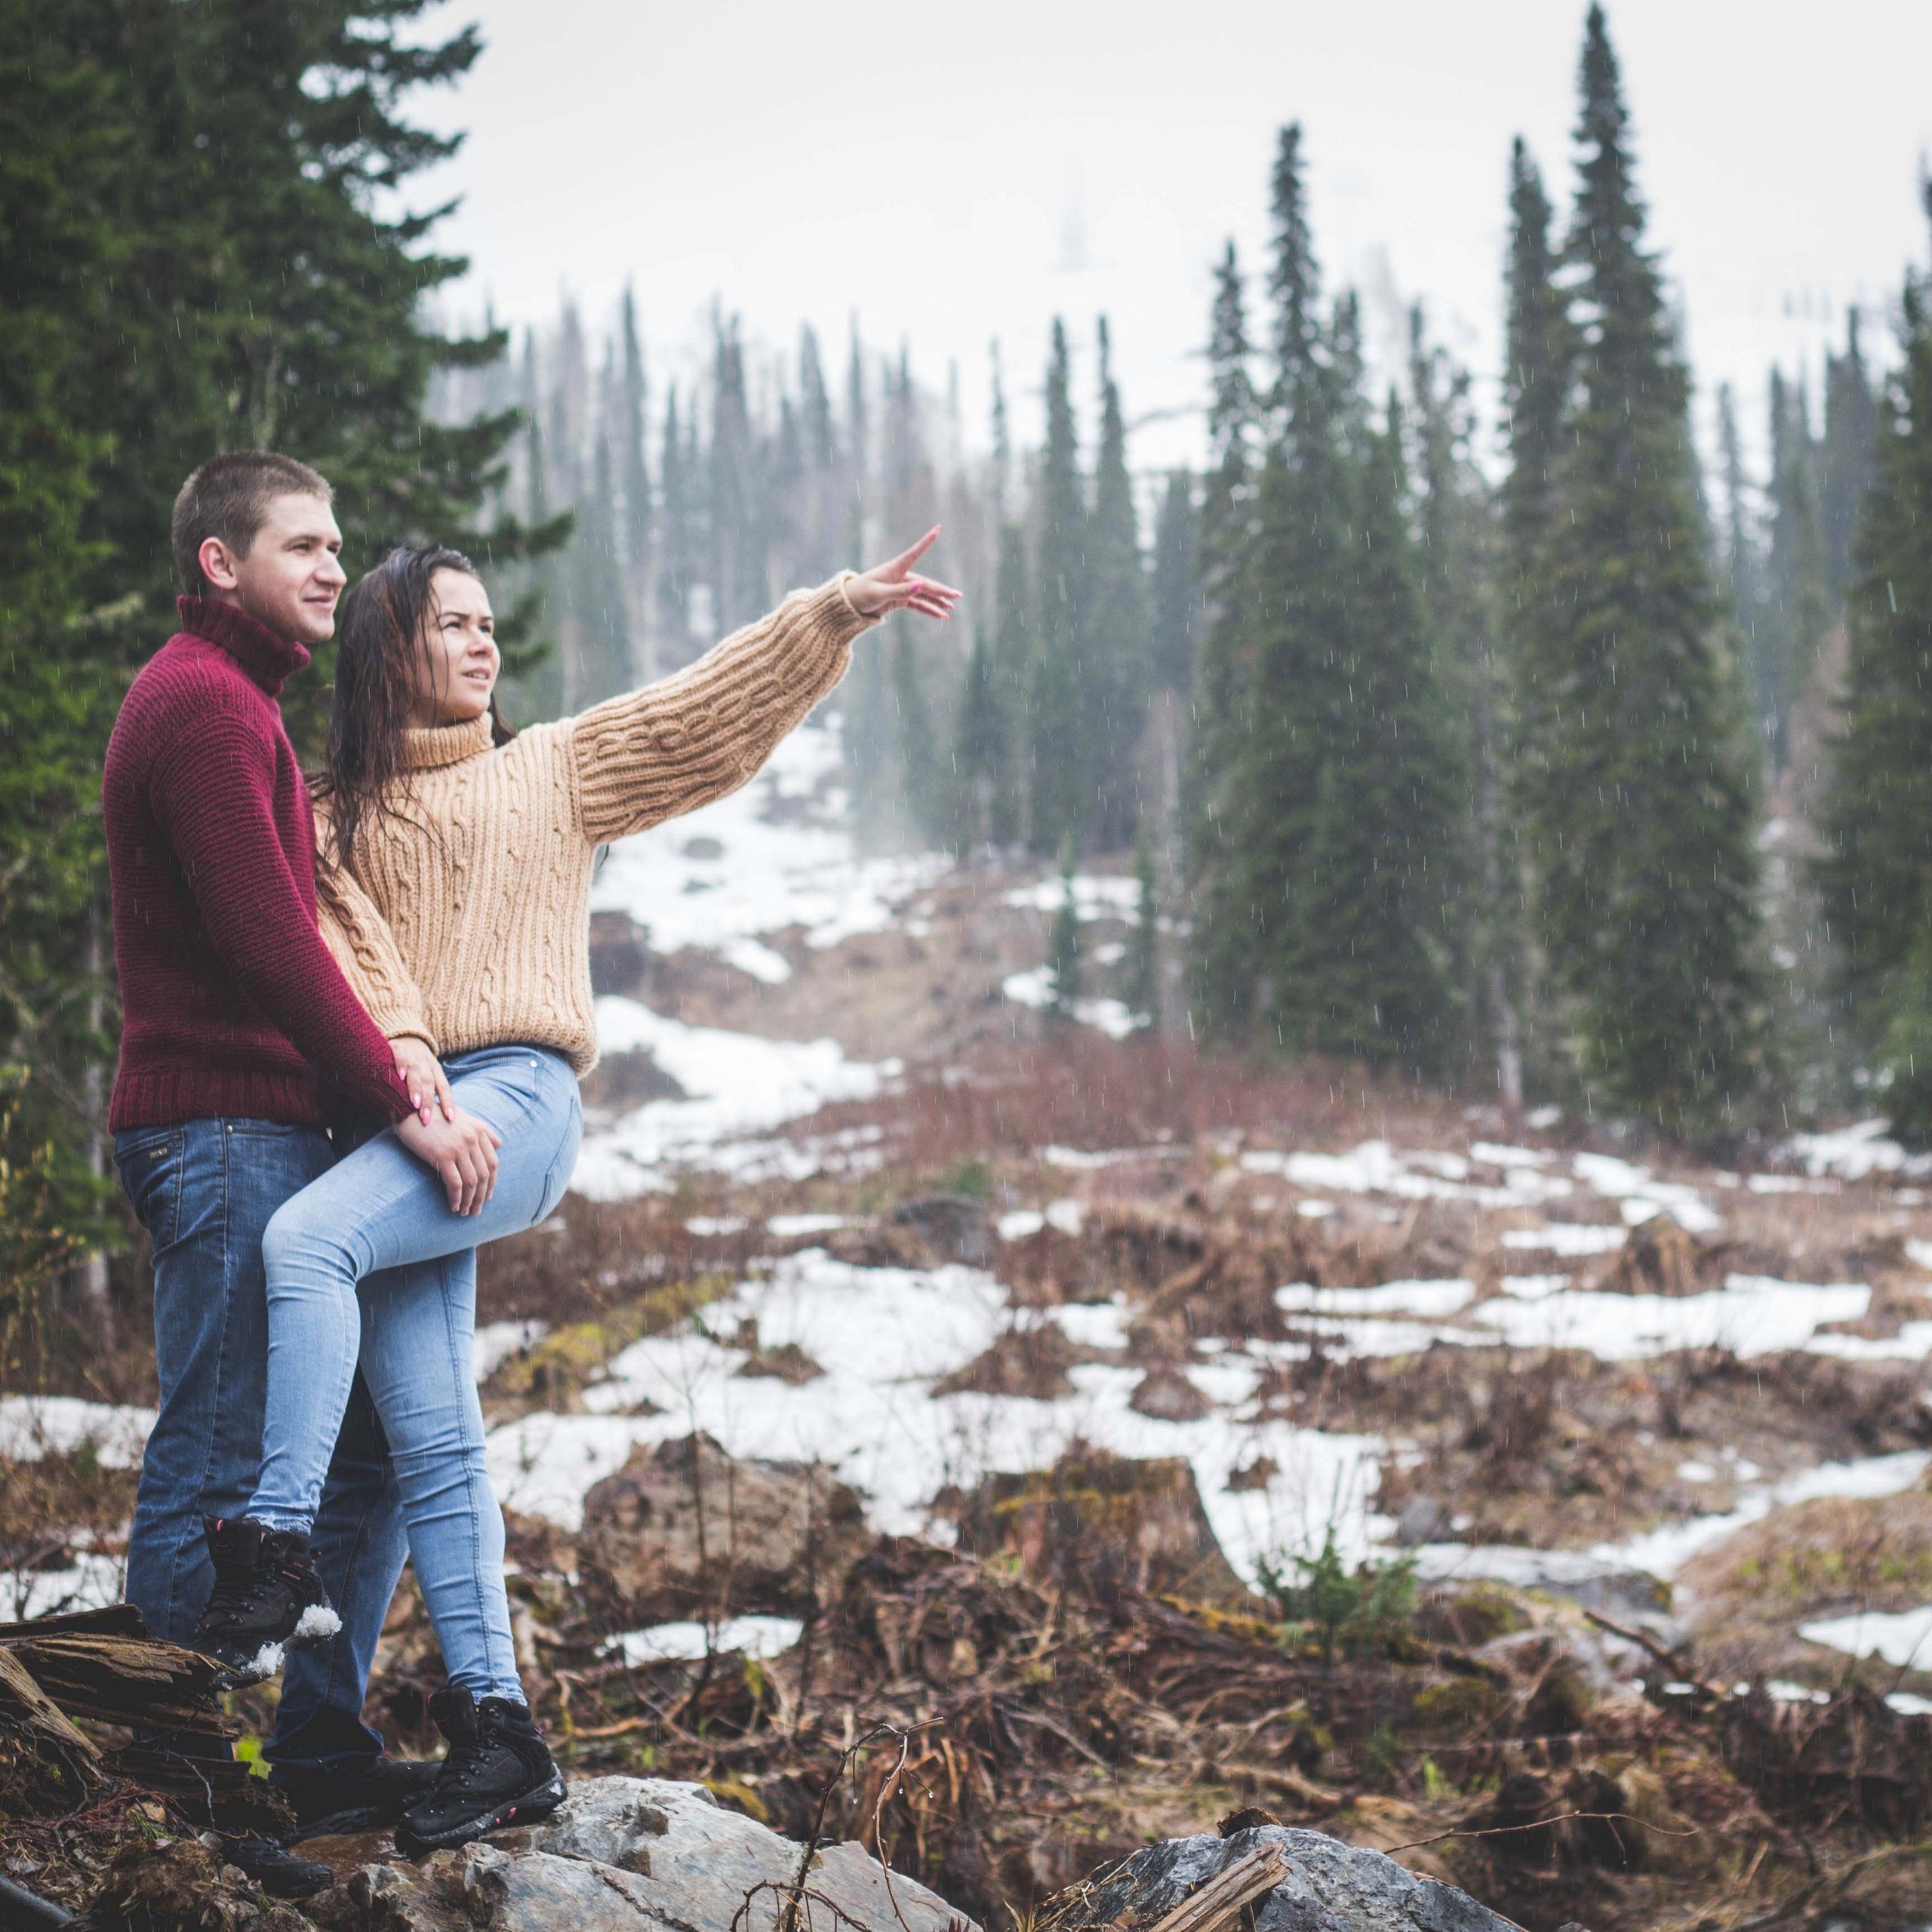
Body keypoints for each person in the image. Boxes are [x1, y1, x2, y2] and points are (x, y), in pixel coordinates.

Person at [194, 529, 958, 1853]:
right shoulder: (334, 815)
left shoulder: (549, 769)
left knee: (306, 1243)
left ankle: (271, 1544)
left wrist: (834, 611)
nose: (486, 643)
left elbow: (700, 719)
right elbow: (348, 966)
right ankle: (502, 1735)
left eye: (491, 623)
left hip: (520, 1101)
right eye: (454, 625)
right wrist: (413, 1090)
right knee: (432, 1434)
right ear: (392, 651)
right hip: (412, 1118)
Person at [102, 452, 511, 1892]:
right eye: (303, 545)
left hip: (254, 1133)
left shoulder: (237, 704)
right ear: (222, 562)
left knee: (361, 1459)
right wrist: (404, 1097)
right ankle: (180, 1792)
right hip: (217, 1132)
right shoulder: (207, 709)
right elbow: (278, 947)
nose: (335, 568)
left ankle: (312, 1748)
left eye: (340, 546)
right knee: (216, 1464)